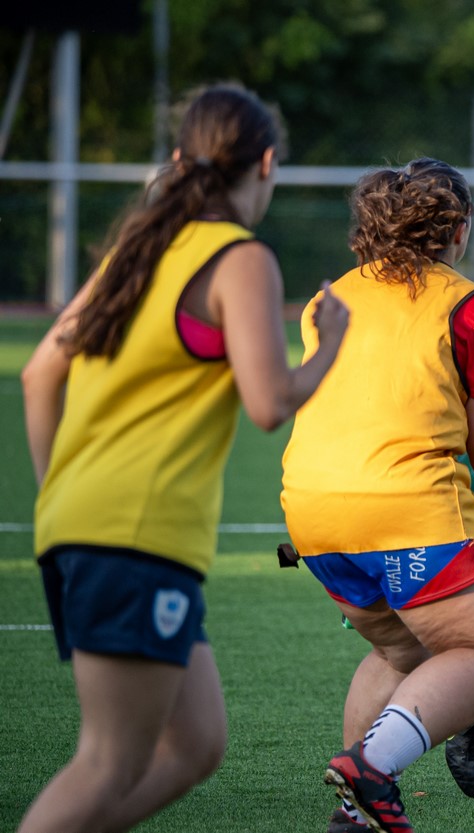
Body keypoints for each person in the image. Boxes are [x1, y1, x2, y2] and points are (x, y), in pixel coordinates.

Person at [18, 83, 349, 833]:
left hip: (85, 523)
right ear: (266, 163)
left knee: (196, 743)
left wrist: (58, 501)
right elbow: (269, 401)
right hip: (137, 533)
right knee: (107, 761)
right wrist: (330, 346)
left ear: (178, 158)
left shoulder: (137, 250)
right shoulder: (240, 257)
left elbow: (40, 376)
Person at [279, 157, 474, 833]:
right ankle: (373, 768)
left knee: (402, 652)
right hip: (411, 509)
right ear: (459, 228)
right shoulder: (471, 305)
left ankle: (353, 810)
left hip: (313, 514)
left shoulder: (327, 300)